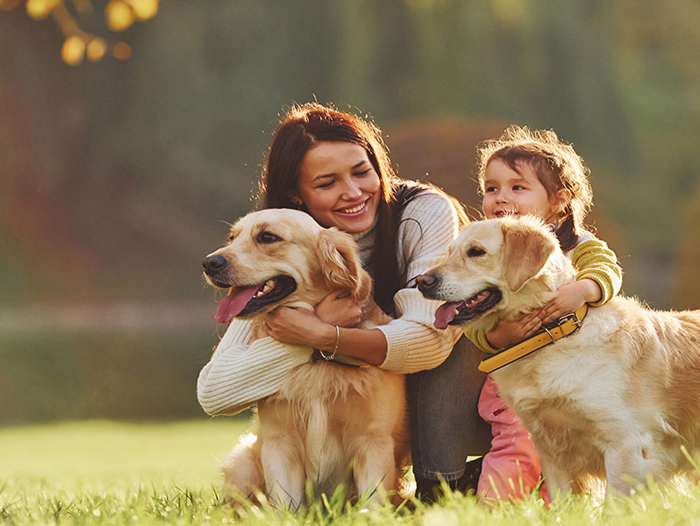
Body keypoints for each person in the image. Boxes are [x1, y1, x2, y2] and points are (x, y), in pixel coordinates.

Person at [196, 103, 491, 501]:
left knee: (455, 328)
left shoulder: (421, 213)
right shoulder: (275, 246)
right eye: (326, 182)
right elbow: (216, 393)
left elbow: (428, 340)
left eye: (361, 171)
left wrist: (322, 335)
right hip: (331, 416)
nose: (353, 193)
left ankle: (442, 487)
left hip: (427, 380)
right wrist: (303, 337)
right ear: (294, 196)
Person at [464, 125, 624, 502]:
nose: (501, 197)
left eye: (518, 187)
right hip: (515, 385)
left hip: (573, 379)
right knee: (516, 450)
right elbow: (469, 316)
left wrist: (584, 289)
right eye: (491, 188)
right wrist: (495, 337)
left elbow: (609, 271)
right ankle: (494, 510)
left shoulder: (578, 246)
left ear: (558, 201)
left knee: (566, 462)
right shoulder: (490, 250)